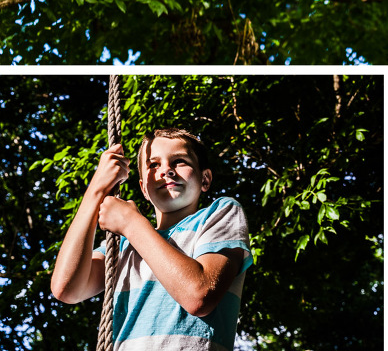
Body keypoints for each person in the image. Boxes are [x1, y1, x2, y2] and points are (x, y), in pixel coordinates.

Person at [51, 127, 252, 351]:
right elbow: (67, 289)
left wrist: (131, 223)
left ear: (205, 179)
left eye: (179, 161)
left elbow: (199, 295)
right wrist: (96, 190)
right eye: (153, 164)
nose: (166, 170)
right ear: (143, 189)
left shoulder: (221, 213)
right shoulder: (122, 246)